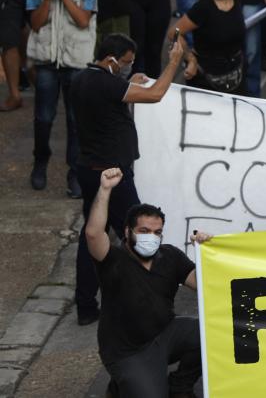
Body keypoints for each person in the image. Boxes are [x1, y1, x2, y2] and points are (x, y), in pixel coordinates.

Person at [70, 33, 185, 326]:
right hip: (113, 175)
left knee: (93, 233)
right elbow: (156, 94)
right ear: (110, 60)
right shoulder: (105, 83)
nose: (125, 67)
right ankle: (145, 297)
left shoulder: (83, 79)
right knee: (140, 234)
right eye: (124, 63)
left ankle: (85, 303)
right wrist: (173, 62)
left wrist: (130, 81)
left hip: (89, 168)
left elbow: (111, 95)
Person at [83, 167, 209, 395]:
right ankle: (122, 386)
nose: (151, 237)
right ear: (128, 231)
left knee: (211, 333)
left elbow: (204, 285)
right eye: (144, 230)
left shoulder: (170, 256)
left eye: (157, 232)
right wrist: (105, 189)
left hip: (166, 333)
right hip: (127, 352)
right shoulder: (112, 259)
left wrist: (206, 251)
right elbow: (93, 233)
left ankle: (180, 385)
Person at [26, 0, 95, 193]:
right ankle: (40, 162)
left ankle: (75, 173)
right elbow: (35, 23)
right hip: (46, 61)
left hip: (76, 60)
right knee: (43, 118)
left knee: (77, 121)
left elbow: (83, 20)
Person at [176, 0, 248, 93]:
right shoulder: (203, 8)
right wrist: (190, 59)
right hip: (207, 81)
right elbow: (174, 33)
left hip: (236, 77)